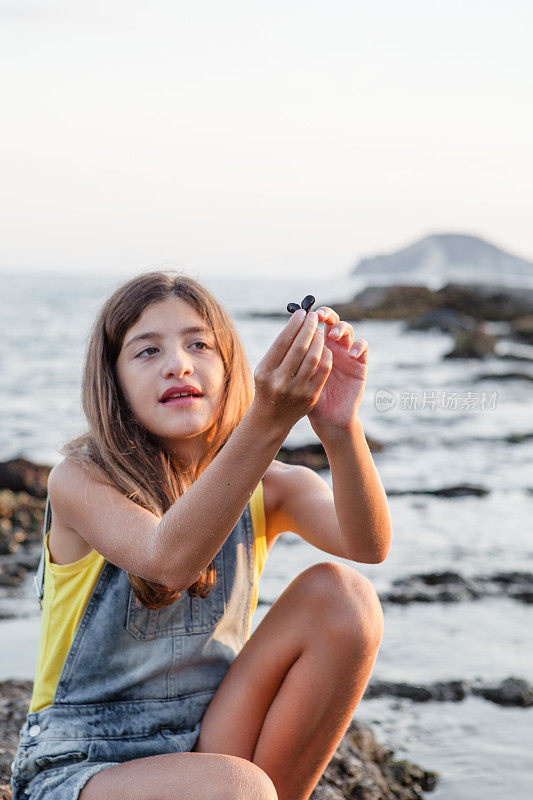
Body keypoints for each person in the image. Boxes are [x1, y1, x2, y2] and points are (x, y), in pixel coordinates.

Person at [11, 270, 391, 800]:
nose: (179, 363)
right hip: (84, 760)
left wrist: (340, 427)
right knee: (237, 788)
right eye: (147, 351)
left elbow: (368, 545)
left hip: (213, 736)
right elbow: (166, 560)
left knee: (345, 597)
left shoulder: (272, 486)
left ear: (229, 365)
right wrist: (269, 419)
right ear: (113, 382)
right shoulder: (82, 481)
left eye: (199, 344)